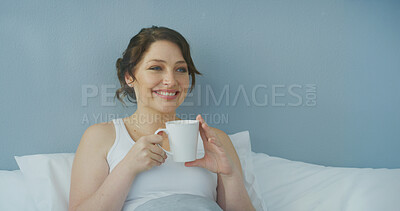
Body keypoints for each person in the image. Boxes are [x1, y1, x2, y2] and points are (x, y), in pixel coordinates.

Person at [69, 26, 255, 211]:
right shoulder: (101, 136)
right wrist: (127, 167)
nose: (171, 80)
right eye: (156, 67)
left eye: (180, 69)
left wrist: (229, 176)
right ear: (129, 77)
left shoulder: (215, 141)